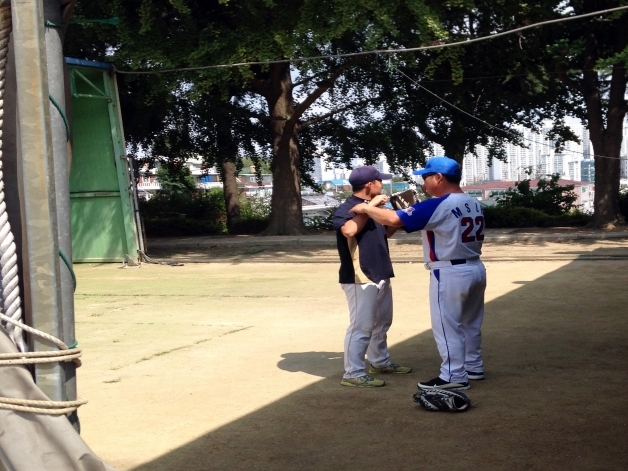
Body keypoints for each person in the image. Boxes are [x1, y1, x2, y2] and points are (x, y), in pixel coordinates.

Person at [349, 157, 486, 391]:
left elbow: (393, 219)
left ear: (439, 178)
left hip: (450, 271)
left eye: (426, 177)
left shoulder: (439, 203)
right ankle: (473, 365)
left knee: (447, 326)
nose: (424, 183)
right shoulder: (471, 201)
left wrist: (366, 208)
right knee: (470, 323)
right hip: (475, 267)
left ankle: (453, 375)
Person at [333, 166, 412, 388]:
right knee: (361, 326)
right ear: (370, 185)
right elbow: (348, 230)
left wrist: (395, 216)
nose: (382, 184)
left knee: (382, 323)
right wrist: (368, 208)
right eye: (380, 181)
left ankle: (379, 361)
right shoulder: (347, 207)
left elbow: (385, 232)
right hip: (359, 276)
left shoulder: (373, 207)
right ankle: (353, 373)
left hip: (380, 271)